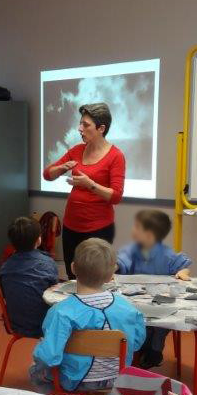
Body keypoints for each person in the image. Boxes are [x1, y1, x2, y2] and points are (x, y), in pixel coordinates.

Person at [30, 238, 145, 395]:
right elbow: (137, 343)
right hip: (117, 379)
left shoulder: (61, 312)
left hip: (74, 381)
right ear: (111, 275)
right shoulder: (127, 308)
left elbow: (49, 357)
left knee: (35, 370)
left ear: (73, 268)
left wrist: (39, 350)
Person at [43, 103, 126, 279]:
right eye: (80, 123)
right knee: (72, 275)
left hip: (99, 229)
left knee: (95, 278)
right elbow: (47, 174)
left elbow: (116, 196)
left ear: (101, 128)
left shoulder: (115, 156)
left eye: (86, 125)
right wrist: (62, 168)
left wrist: (91, 185)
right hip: (71, 226)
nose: (80, 129)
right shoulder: (77, 150)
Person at [117, 209, 191, 368]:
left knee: (161, 325)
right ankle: (139, 349)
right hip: (134, 304)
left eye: (137, 227)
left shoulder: (166, 254)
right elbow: (120, 262)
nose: (132, 230)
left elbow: (183, 266)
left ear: (149, 235)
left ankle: (155, 352)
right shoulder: (131, 251)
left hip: (160, 305)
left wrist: (182, 273)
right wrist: (111, 268)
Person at [0, 216, 59, 338]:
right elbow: (55, 295)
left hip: (15, 325)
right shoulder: (48, 264)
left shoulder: (5, 267)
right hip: (44, 325)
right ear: (38, 240)